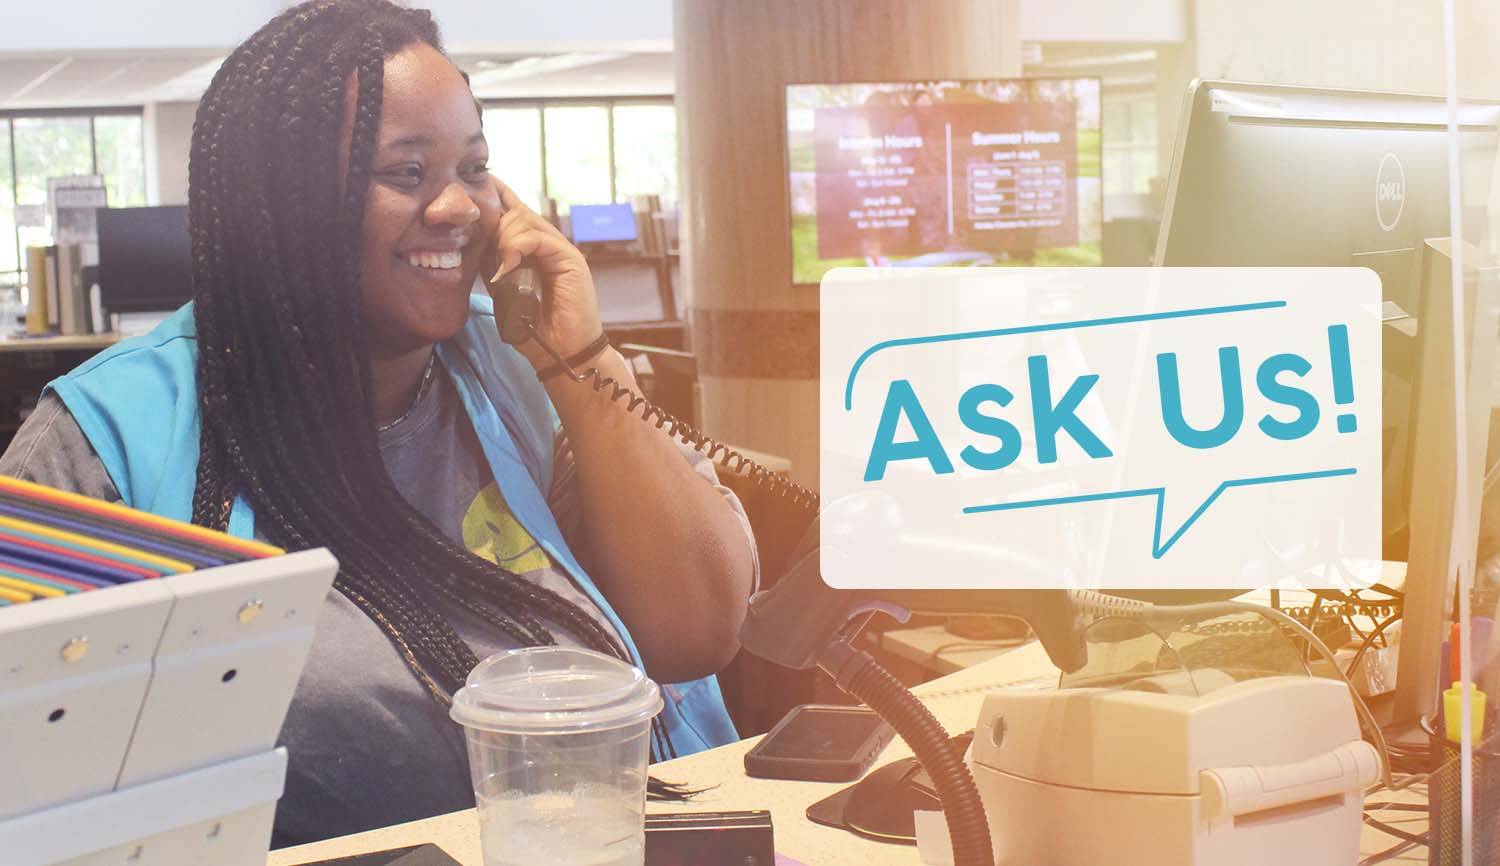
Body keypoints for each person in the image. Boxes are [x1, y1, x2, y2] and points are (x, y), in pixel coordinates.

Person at [0, 0, 758, 847]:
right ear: (282, 204)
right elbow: (33, 784)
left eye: (473, 167)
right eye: (406, 172)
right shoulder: (107, 440)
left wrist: (582, 363)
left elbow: (698, 635)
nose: (459, 208)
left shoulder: (518, 369)